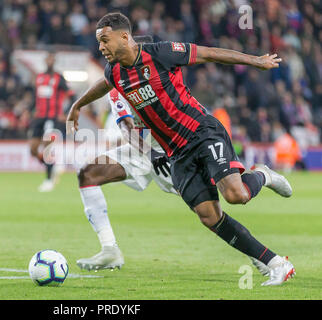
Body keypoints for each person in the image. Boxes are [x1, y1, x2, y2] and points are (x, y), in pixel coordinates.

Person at [67, 12, 295, 286]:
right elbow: (103, 87)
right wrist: (77, 106)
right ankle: (275, 263)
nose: (100, 47)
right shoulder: (113, 72)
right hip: (174, 153)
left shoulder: (161, 53)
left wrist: (255, 60)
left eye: (104, 40)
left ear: (124, 36)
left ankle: (264, 175)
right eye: (99, 42)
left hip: (201, 133)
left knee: (236, 195)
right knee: (209, 216)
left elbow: (209, 53)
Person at [77, 84, 178, 271]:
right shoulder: (116, 89)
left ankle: (250, 249)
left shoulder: (154, 72)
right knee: (88, 174)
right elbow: (127, 129)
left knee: (207, 209)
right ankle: (110, 249)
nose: (105, 53)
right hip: (142, 149)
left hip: (170, 148)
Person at [29, 52, 72, 192]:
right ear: (44, 60)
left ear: (54, 61)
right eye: (48, 58)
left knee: (47, 146)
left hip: (52, 117)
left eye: (52, 59)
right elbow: (36, 97)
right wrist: (30, 110)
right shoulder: (39, 77)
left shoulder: (59, 78)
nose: (49, 61)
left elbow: (72, 96)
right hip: (39, 117)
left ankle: (48, 180)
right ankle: (52, 167)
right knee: (33, 149)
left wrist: (65, 113)